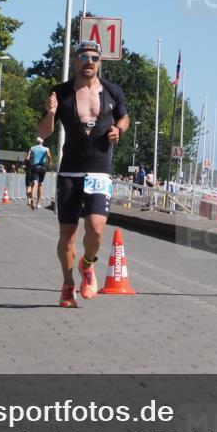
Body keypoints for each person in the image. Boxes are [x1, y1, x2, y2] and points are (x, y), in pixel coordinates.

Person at [38, 40, 130, 308]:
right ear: (76, 61)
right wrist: (51, 113)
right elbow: (44, 132)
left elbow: (124, 118)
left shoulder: (113, 91)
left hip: (100, 170)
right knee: (67, 236)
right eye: (84, 56)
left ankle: (87, 264)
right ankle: (68, 284)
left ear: (100, 62)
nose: (89, 61)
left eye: (94, 57)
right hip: (70, 171)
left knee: (96, 229)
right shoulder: (61, 92)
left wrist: (119, 131)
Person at [25, 136, 52, 210]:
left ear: (36, 142)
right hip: (42, 168)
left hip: (34, 167)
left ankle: (32, 197)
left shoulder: (32, 148)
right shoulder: (46, 149)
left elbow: (27, 158)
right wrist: (50, 162)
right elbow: (49, 156)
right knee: (40, 184)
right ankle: (39, 202)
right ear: (42, 142)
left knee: (35, 182)